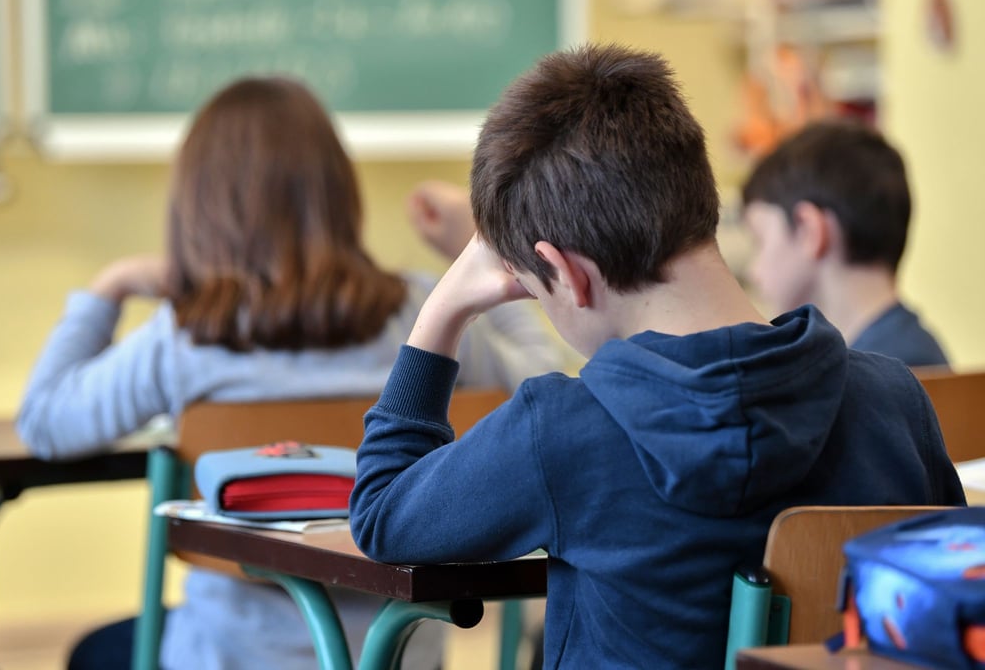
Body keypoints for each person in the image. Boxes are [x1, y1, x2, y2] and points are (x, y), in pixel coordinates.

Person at [348, 44, 966, 670]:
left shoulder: (562, 430)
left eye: (536, 291)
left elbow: (380, 515)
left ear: (569, 276)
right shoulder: (896, 402)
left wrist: (443, 309)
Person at [16, 76, 566, 670]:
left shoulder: (186, 336)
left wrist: (110, 287)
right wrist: (475, 251)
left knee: (95, 652)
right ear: (337, 191)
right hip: (397, 655)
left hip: (228, 657)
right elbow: (538, 384)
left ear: (197, 206)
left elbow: (45, 421)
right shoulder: (423, 314)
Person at [741, 119, 949, 368]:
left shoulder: (883, 374)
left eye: (760, 241)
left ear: (809, 230)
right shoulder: (906, 352)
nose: (753, 272)